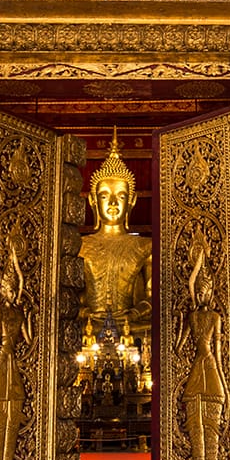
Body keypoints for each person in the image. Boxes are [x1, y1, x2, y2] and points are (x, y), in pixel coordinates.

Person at [78, 130, 153, 344]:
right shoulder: (80, 245)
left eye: (120, 196)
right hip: (91, 325)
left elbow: (153, 296)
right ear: (93, 201)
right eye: (104, 196)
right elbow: (73, 295)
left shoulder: (145, 246)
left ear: (132, 201)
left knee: (154, 329)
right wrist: (84, 312)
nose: (112, 203)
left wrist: (134, 314)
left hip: (131, 325)